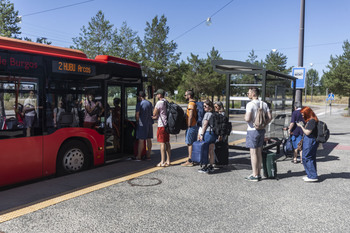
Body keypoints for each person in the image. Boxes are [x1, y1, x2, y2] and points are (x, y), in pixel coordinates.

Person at [244, 87, 272, 181]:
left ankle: (254, 175)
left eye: (248, 93)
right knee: (259, 152)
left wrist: (246, 119)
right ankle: (259, 173)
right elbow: (270, 117)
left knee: (253, 153)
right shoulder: (264, 104)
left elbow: (248, 118)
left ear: (253, 94)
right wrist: (263, 125)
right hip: (261, 130)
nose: (247, 94)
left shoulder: (249, 104)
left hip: (252, 130)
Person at [296, 106, 319, 182]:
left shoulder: (312, 121)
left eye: (303, 114)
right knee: (311, 157)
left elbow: (307, 132)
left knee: (306, 157)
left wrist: (301, 126)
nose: (302, 116)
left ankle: (312, 176)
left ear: (307, 113)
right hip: (311, 140)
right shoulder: (312, 120)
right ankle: (312, 175)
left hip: (310, 140)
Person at [198, 99, 218, 173]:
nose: (204, 107)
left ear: (210, 107)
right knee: (211, 150)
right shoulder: (214, 113)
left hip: (207, 133)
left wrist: (201, 134)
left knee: (205, 150)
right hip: (213, 133)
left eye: (205, 106)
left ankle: (205, 166)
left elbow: (205, 125)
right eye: (203, 106)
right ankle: (211, 166)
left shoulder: (207, 114)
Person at [152, 89, 171, 167]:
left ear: (160, 95)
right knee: (167, 142)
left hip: (161, 125)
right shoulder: (166, 101)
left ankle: (162, 161)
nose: (156, 95)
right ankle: (168, 160)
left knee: (162, 143)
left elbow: (154, 113)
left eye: (157, 94)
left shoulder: (159, 102)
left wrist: (154, 115)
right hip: (167, 124)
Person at [181, 90, 199, 167]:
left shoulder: (191, 104)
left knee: (190, 143)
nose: (185, 96)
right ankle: (194, 159)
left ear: (189, 96)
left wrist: (188, 125)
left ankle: (190, 160)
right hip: (195, 125)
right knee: (193, 142)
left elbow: (191, 115)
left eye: (185, 95)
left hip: (192, 125)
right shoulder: (195, 103)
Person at [135, 91, 153, 161]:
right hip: (149, 124)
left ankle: (139, 156)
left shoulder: (139, 104)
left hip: (142, 124)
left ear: (140, 96)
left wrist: (137, 121)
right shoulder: (149, 103)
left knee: (141, 140)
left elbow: (137, 115)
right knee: (149, 139)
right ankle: (148, 155)